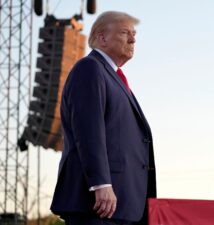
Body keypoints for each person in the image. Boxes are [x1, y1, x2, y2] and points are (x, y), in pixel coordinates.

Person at [50, 11, 156, 225]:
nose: (133, 39)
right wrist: (101, 184)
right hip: (99, 204)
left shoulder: (113, 77)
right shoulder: (89, 68)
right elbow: (89, 130)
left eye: (134, 34)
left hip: (123, 205)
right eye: (126, 32)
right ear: (102, 37)